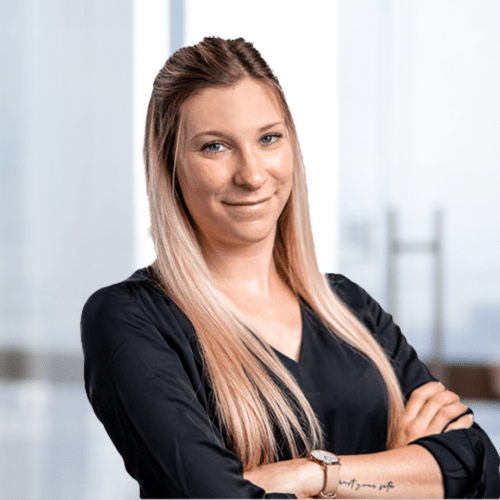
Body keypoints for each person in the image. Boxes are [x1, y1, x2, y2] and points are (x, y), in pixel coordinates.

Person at [81, 37, 499, 499]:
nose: (253, 175)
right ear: (169, 165)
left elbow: (479, 467)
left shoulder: (348, 307)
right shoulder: (129, 320)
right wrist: (396, 472)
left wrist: (315, 475)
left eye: (268, 139)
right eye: (216, 147)